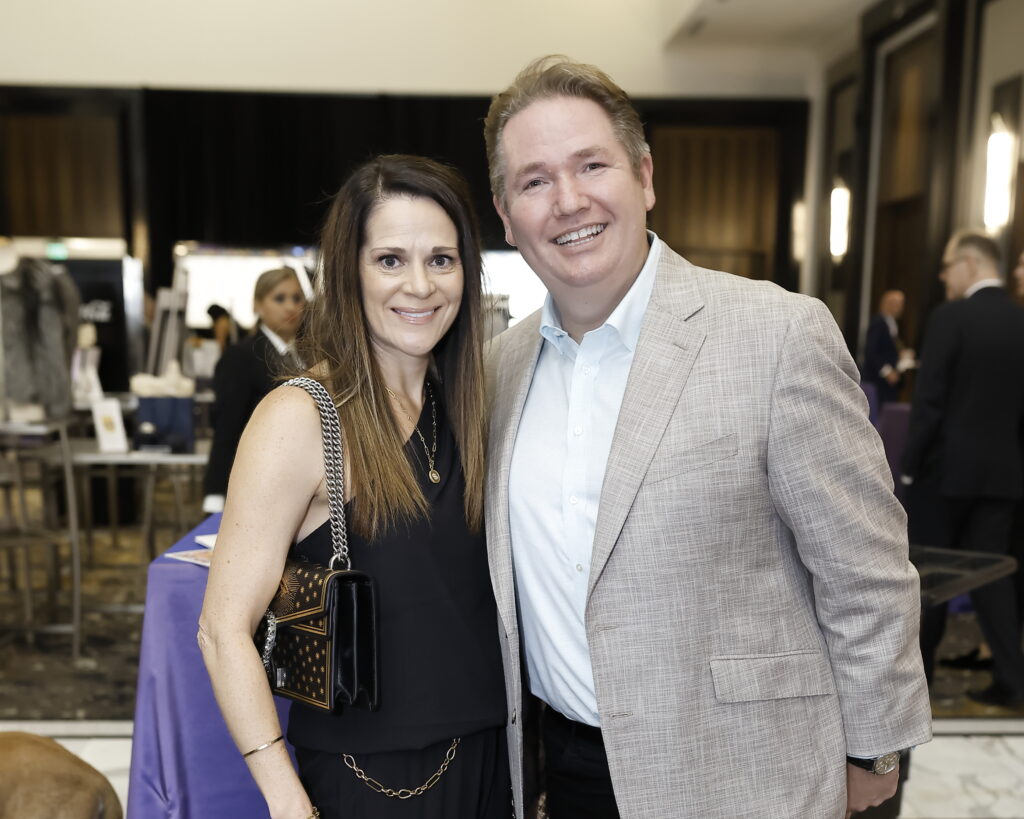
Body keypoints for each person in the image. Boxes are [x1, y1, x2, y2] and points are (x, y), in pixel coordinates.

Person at [482, 56, 931, 819]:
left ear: (645, 176)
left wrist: (875, 749)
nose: (568, 200)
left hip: (747, 773)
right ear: (505, 214)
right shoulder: (499, 369)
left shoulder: (777, 333)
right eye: (534, 180)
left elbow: (867, 572)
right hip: (568, 773)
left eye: (592, 165)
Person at [198, 155, 508, 819]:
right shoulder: (301, 416)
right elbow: (222, 629)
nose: (420, 285)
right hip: (369, 782)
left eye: (442, 259)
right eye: (390, 260)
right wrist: (285, 797)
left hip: (492, 766)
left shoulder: (470, 406)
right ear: (348, 271)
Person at [901, 230, 1024, 709]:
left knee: (928, 576)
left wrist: (908, 468)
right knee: (992, 576)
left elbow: (929, 402)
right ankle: (1013, 680)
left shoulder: (950, 317)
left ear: (971, 264)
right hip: (1003, 474)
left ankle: (918, 684)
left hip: (945, 472)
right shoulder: (1019, 321)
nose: (943, 276)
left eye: (948, 266)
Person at [201, 267, 306, 513]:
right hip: (256, 484)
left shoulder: (308, 356)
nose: (290, 306)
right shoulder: (241, 356)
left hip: (299, 485)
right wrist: (216, 493)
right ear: (257, 305)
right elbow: (227, 428)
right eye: (279, 298)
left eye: (297, 298)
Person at [863, 289, 907, 405]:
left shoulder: (893, 323)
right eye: (897, 303)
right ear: (887, 304)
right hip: (877, 380)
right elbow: (871, 351)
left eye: (902, 303)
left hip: (889, 382)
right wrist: (887, 371)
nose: (900, 307)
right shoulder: (878, 323)